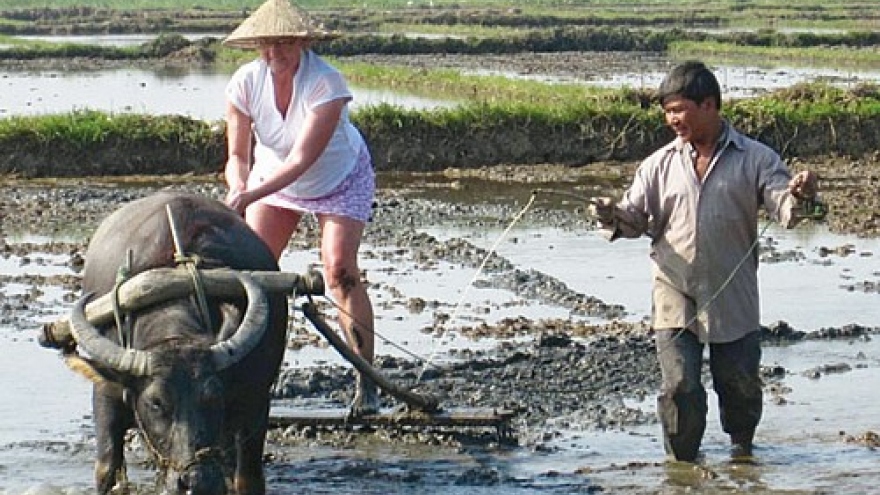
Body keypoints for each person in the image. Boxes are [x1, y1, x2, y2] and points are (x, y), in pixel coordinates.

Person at [589, 61, 821, 463]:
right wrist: (610, 215)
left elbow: (785, 206)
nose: (672, 119)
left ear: (709, 105)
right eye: (668, 111)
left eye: (680, 109)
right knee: (680, 386)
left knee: (740, 387)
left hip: (733, 291)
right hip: (674, 288)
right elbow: (633, 218)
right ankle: (682, 469)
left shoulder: (756, 159)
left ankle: (743, 457)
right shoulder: (658, 164)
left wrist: (801, 196)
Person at [222, 0, 379, 415]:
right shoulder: (244, 84)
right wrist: (238, 186)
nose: (275, 52)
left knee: (339, 270)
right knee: (253, 271)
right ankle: (243, 372)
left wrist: (248, 196)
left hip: (339, 177)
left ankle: (367, 378)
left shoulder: (326, 84)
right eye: (266, 44)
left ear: (302, 42)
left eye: (284, 42)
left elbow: (301, 160)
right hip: (271, 182)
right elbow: (238, 154)